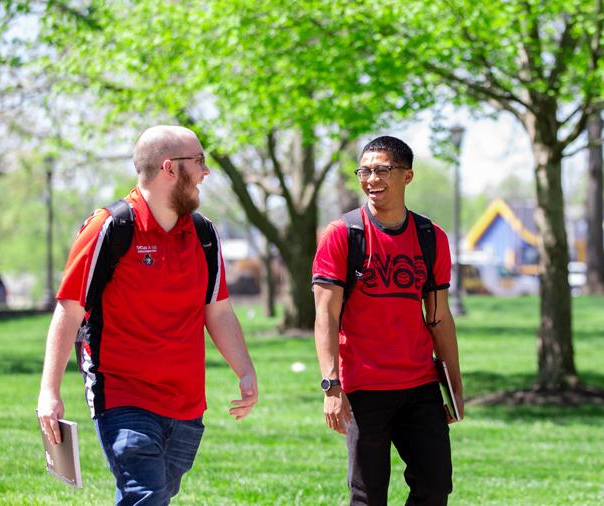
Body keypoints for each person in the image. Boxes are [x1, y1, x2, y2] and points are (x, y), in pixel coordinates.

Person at [36, 125, 258, 505]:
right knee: (147, 494)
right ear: (170, 168)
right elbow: (69, 309)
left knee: (161, 492)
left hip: (187, 402)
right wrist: (49, 392)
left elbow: (218, 310)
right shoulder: (110, 227)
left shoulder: (204, 234)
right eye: (200, 162)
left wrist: (245, 370)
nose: (206, 172)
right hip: (123, 393)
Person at [312, 136, 464, 505]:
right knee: (368, 495)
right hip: (364, 388)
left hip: (419, 386)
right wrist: (332, 387)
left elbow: (439, 318)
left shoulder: (430, 237)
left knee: (435, 486)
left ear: (407, 176)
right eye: (364, 170)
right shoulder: (343, 235)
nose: (371, 178)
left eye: (382, 169)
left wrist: (455, 389)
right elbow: (326, 316)